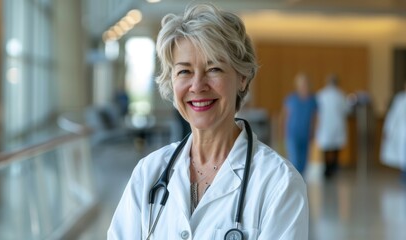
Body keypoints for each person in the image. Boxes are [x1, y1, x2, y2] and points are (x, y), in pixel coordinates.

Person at [108, 4, 308, 239]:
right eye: (184, 71)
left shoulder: (278, 183)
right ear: (171, 81)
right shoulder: (148, 174)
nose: (197, 86)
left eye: (214, 69)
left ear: (242, 77)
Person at [281, 73, 318, 175]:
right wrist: (283, 132)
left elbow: (314, 118)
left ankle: (300, 182)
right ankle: (293, 181)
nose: (304, 86)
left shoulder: (312, 100)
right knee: (294, 160)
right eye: (302, 84)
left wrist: (314, 132)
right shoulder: (291, 99)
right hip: (293, 133)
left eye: (306, 84)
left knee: (303, 162)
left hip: (306, 134)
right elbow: (284, 117)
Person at [315, 74, 349, 178]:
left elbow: (317, 111)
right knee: (335, 148)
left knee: (326, 148)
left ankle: (326, 168)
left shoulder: (321, 94)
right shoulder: (341, 95)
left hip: (325, 125)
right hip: (337, 125)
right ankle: (333, 168)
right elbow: (347, 110)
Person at [381, 81, 406, 182]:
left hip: (402, 131)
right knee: (402, 153)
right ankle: (404, 173)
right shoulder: (399, 99)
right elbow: (392, 117)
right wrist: (388, 130)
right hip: (401, 131)